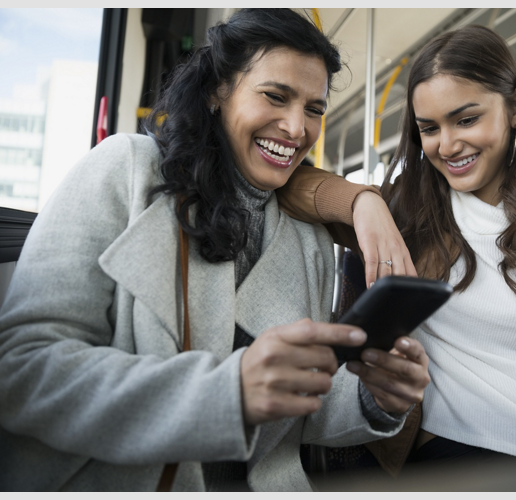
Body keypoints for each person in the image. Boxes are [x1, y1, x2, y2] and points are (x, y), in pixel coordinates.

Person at [0, 9, 429, 492]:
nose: (295, 128)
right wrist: (226, 394)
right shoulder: (124, 171)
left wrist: (376, 398)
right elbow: (20, 367)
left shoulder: (307, 235)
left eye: (314, 109)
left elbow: (300, 406)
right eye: (274, 96)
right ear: (216, 91)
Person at [282, 24, 516, 475]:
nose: (448, 145)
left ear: (515, 107)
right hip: (449, 455)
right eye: (429, 129)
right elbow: (292, 184)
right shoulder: (407, 211)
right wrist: (365, 202)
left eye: (466, 119)